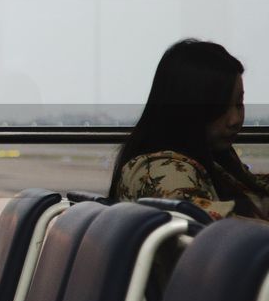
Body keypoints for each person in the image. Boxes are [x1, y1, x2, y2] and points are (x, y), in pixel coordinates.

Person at [110, 39, 269, 221]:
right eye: (220, 106)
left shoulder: (215, 156)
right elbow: (222, 233)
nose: (235, 119)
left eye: (239, 104)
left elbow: (253, 187)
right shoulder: (163, 171)